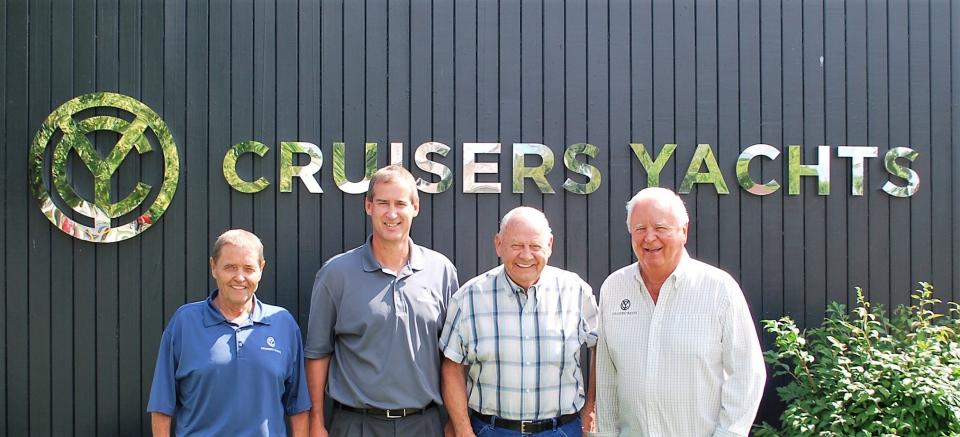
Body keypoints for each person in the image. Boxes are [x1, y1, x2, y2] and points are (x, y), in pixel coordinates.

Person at [589, 187, 766, 437]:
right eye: (640, 229)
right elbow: (607, 377)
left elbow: (747, 372)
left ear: (683, 231)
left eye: (660, 228)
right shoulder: (614, 288)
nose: (649, 238)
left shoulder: (719, 289)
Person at [304, 165, 459, 437]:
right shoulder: (335, 274)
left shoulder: (441, 271)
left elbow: (453, 357)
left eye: (400, 203)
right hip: (356, 425)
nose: (391, 213)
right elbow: (318, 353)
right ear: (368, 206)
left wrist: (456, 422)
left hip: (424, 425)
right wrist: (315, 422)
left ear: (415, 207)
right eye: (382, 203)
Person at [440, 206, 599, 437]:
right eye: (516, 246)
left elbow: (600, 349)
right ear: (499, 244)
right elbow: (451, 367)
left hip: (561, 431)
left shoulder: (576, 291)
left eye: (535, 246)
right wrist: (463, 431)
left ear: (550, 245)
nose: (526, 255)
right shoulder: (469, 298)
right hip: (491, 430)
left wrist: (590, 411)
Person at [146, 229, 311, 436]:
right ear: (213, 267)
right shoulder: (184, 323)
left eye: (248, 268)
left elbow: (298, 408)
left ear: (261, 269)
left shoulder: (282, 324)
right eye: (230, 267)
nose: (239, 277)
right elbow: (162, 406)